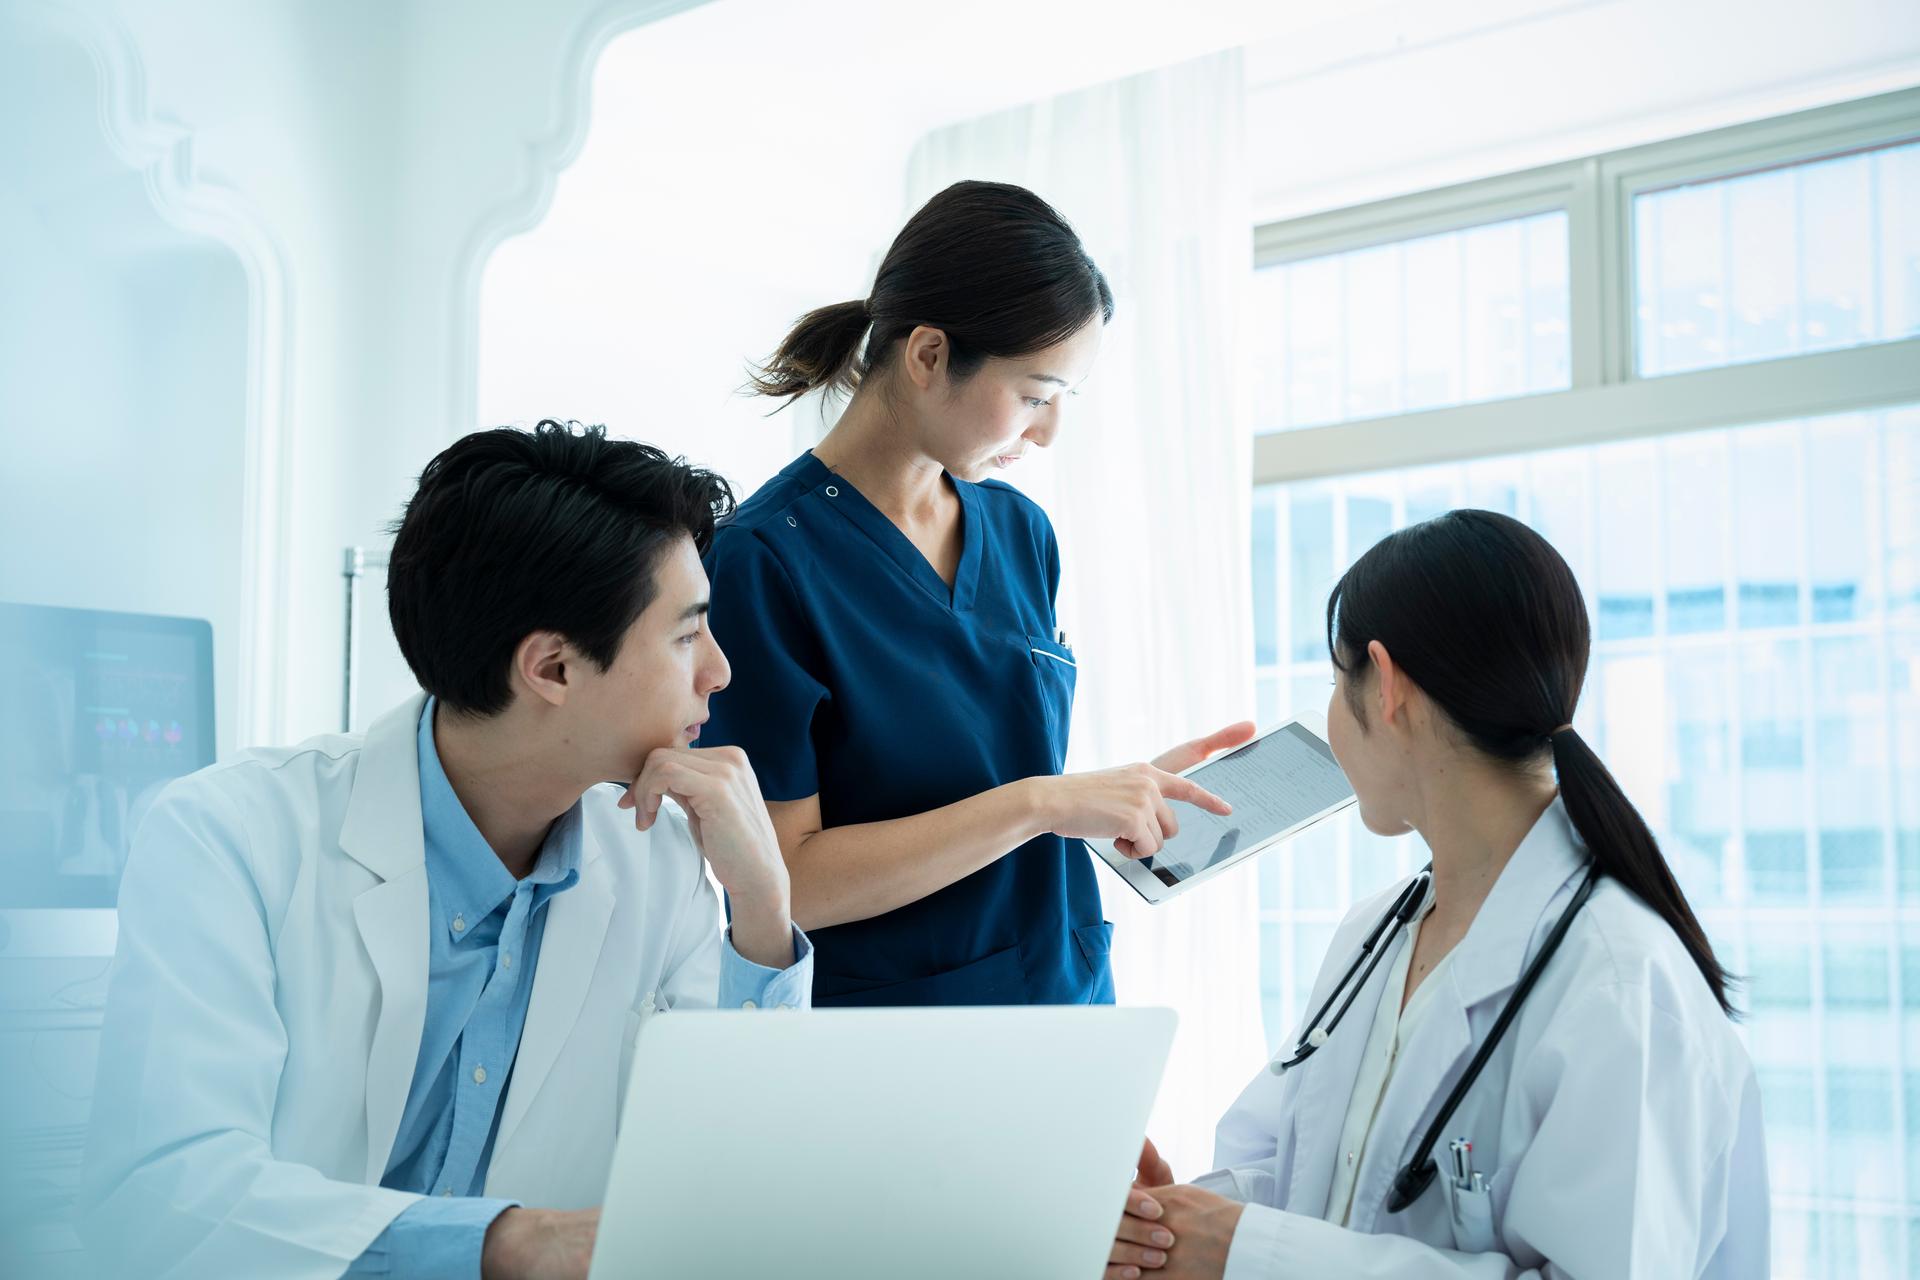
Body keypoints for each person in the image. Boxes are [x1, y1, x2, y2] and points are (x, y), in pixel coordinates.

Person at [80, 422, 813, 1280]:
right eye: (688, 636)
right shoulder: (230, 836)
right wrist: (509, 1245)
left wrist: (763, 910)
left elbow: (731, 1189)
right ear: (552, 669)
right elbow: (164, 1196)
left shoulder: (666, 854)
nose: (719, 672)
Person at [1105, 510, 1768, 1279]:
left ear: (1386, 686)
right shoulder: (1373, 935)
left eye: (1333, 679)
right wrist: (1180, 1222)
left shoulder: (1621, 985)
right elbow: (1304, 1164)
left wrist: (1251, 1251)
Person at [702, 179, 1251, 1007]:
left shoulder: (1020, 531)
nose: (1048, 431)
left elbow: (995, 770)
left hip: (1065, 991)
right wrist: (1041, 803)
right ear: (928, 356)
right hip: (909, 1039)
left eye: (1062, 400)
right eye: (1034, 395)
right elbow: (786, 881)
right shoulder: (762, 564)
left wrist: (1106, 800)